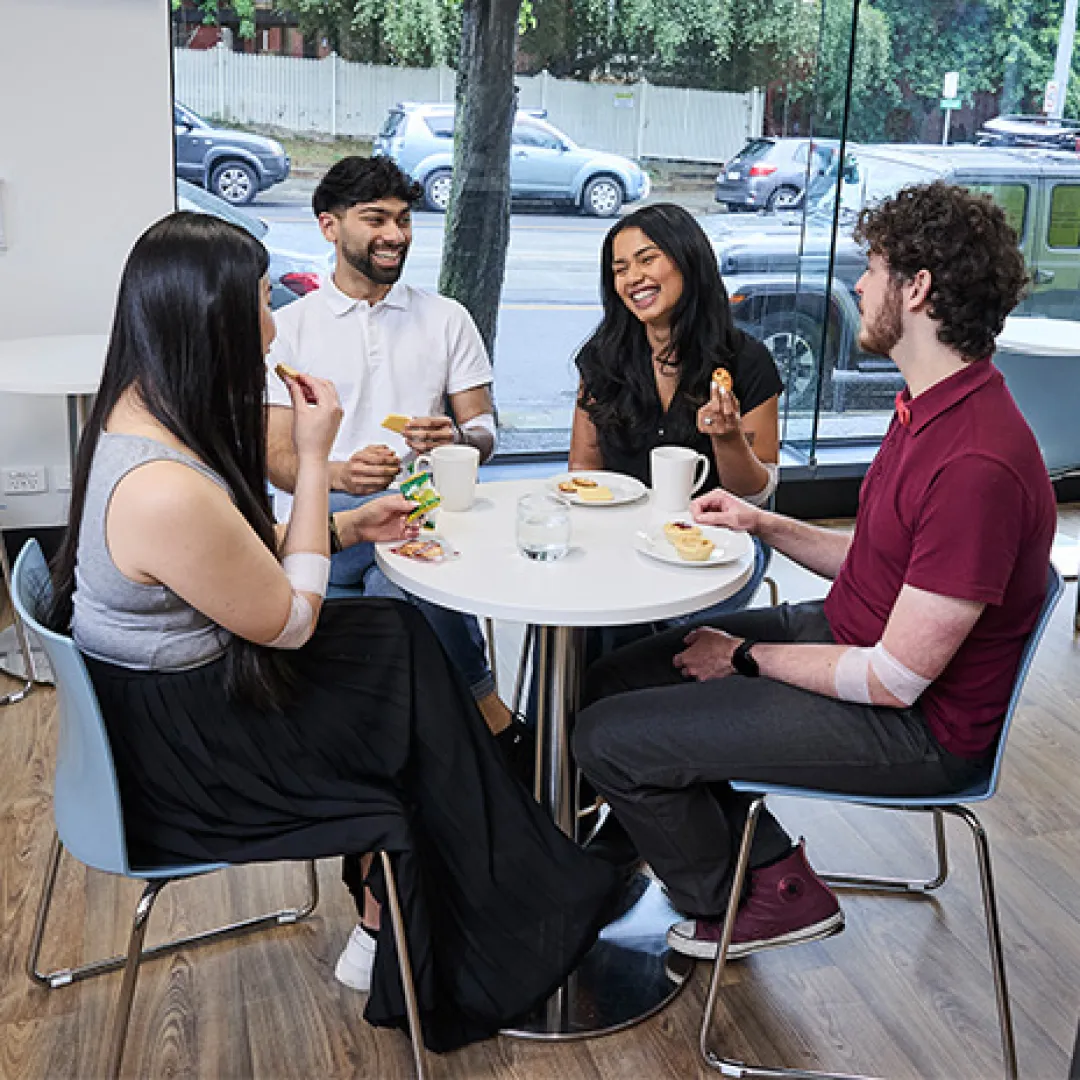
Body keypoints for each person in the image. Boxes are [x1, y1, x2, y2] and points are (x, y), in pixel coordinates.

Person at [47, 212, 616, 1051]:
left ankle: (431, 910)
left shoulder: (139, 412)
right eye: (257, 303)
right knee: (408, 708)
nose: (271, 323)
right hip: (182, 760)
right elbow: (292, 619)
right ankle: (484, 913)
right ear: (204, 319)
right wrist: (318, 459)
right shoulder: (161, 485)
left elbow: (230, 558)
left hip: (171, 699)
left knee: (401, 641)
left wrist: (351, 529)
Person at [573, 181, 1054, 961]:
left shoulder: (976, 462)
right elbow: (874, 562)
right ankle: (744, 865)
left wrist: (744, 657)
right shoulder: (927, 407)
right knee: (614, 682)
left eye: (872, 267)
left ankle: (752, 901)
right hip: (849, 635)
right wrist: (762, 521)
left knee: (607, 737)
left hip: (915, 728)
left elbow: (896, 680)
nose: (860, 285)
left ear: (918, 288)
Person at [264, 155, 529, 763]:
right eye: (375, 219)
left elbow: (486, 429)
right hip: (320, 524)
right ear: (329, 226)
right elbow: (275, 458)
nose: (395, 235)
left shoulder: (446, 318)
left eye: (405, 220)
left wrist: (458, 440)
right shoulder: (288, 329)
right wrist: (337, 474)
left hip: (416, 514)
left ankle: (398, 765)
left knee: (398, 583)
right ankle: (491, 722)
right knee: (407, 586)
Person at [570, 202, 784, 628]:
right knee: (578, 606)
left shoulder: (746, 361)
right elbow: (582, 466)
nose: (633, 278)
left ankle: (649, 691)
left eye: (647, 259)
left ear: (688, 259)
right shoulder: (603, 358)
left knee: (661, 623)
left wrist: (728, 439)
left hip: (721, 542)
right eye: (620, 269)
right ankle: (580, 694)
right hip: (625, 536)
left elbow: (756, 494)